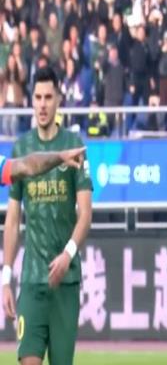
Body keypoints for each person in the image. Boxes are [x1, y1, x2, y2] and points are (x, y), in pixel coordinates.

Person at [2, 67, 93, 365]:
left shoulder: (74, 145)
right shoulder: (21, 148)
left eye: (48, 97)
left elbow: (85, 213)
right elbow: (12, 220)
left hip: (65, 282)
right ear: (31, 100)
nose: (42, 104)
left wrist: (68, 253)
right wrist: (6, 277)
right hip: (31, 280)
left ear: (58, 100)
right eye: (38, 97)